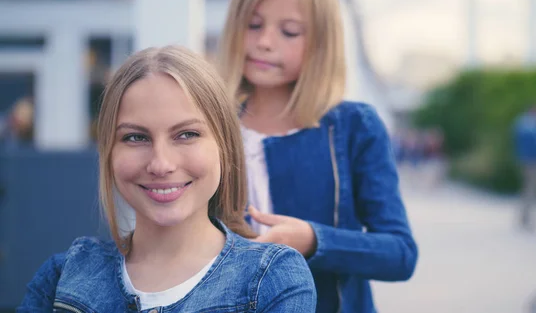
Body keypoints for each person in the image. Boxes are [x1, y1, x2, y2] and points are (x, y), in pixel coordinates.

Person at [18, 46, 316, 312]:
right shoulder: (62, 277)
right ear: (109, 152)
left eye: (187, 134)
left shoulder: (273, 279)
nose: (161, 164)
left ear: (224, 146)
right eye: (136, 137)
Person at [218, 0, 418, 312]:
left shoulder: (356, 126)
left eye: (290, 31)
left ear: (322, 41)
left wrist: (314, 240)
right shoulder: (207, 123)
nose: (265, 41)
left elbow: (400, 254)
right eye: (253, 24)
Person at [513, 106, 536, 231]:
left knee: (525, 187)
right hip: (535, 161)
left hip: (522, 159)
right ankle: (530, 217)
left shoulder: (520, 123)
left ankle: (523, 215)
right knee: (533, 189)